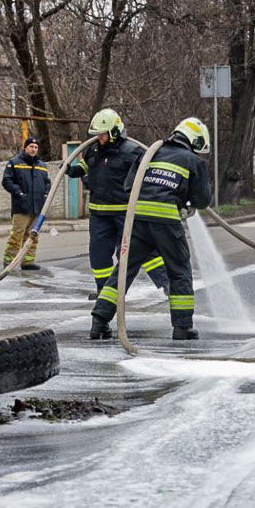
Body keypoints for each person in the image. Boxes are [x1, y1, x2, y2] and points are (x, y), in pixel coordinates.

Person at [89, 117, 213, 341]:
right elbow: (202, 200)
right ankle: (183, 327)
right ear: (195, 139)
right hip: (166, 222)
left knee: (123, 272)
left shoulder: (152, 152)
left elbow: (129, 186)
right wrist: (182, 201)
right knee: (179, 270)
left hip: (137, 221)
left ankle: (99, 322)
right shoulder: (193, 161)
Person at [67, 108, 170, 296]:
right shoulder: (94, 150)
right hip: (99, 214)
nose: (99, 138)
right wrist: (71, 170)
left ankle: (167, 284)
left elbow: (148, 176)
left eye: (102, 134)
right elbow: (84, 166)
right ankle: (104, 291)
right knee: (98, 254)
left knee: (142, 251)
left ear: (114, 131)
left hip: (126, 213)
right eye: (96, 134)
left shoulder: (132, 152)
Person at [1, 136, 50, 270]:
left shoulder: (42, 165)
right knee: (17, 235)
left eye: (35, 147)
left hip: (37, 207)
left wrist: (45, 194)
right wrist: (19, 193)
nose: (33, 149)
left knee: (33, 236)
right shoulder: (14, 163)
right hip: (21, 207)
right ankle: (8, 261)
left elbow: (47, 182)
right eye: (31, 147)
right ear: (25, 147)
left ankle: (28, 261)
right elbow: (7, 181)